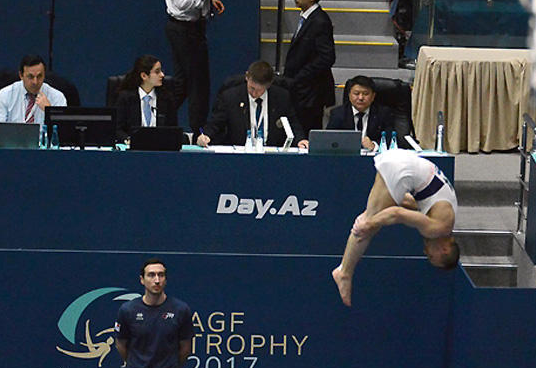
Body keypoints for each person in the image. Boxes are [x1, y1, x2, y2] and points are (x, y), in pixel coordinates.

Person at [331, 149, 458, 307]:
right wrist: (369, 223)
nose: (426, 252)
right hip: (400, 167)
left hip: (401, 159)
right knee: (368, 226)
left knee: (375, 214)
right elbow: (397, 214)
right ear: (445, 250)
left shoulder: (448, 215)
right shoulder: (437, 229)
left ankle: (346, 267)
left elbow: (409, 201)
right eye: (431, 257)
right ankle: (344, 273)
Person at [196, 61, 309, 148]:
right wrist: (206, 135)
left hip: (270, 155)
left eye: (259, 90)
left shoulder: (281, 97)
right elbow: (216, 123)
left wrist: (300, 140)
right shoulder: (230, 97)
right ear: (247, 77)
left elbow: (293, 123)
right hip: (240, 155)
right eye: (251, 88)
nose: (254, 93)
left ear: (268, 85)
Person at [165, 0, 224, 134]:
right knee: (198, 86)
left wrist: (208, 0)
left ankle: (159, 117)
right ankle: (199, 133)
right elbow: (182, 2)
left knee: (183, 84)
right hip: (187, 31)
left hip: (186, 29)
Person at [282, 0, 335, 135]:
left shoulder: (320, 21)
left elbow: (327, 57)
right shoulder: (308, 18)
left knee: (307, 134)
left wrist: (299, 78)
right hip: (301, 91)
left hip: (310, 93)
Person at [0, 54, 66, 141]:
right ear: (21, 75)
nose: (35, 82)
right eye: (30, 77)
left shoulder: (57, 97)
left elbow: (63, 134)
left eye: (39, 76)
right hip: (11, 149)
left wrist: (49, 112)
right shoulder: (5, 95)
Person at [114, 55, 179, 142]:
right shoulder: (126, 98)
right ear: (144, 76)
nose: (162, 75)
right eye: (157, 72)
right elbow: (117, 129)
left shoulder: (167, 98)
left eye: (161, 71)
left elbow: (173, 130)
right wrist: (128, 140)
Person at [326, 76, 399, 151]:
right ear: (349, 95)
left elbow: (390, 138)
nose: (360, 98)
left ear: (373, 96)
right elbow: (328, 139)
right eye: (356, 93)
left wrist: (374, 145)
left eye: (365, 94)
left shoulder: (384, 113)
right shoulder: (338, 113)